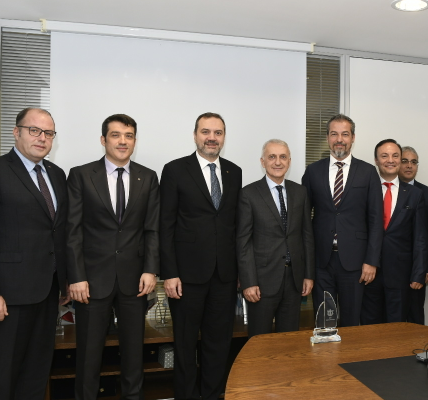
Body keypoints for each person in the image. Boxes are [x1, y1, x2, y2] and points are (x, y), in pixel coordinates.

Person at [0, 107, 70, 400]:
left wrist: (64, 281)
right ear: (16, 132)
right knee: (3, 374)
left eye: (49, 133)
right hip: (6, 297)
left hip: (47, 293)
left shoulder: (57, 175)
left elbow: (58, 232)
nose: (42, 138)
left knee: (36, 373)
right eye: (34, 130)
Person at [66, 114, 159, 400]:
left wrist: (151, 270)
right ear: (103, 140)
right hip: (92, 281)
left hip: (135, 280)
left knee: (134, 354)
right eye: (116, 135)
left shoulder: (148, 177)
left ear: (135, 141)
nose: (122, 141)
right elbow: (73, 230)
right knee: (89, 355)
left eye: (128, 136)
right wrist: (77, 277)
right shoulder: (81, 175)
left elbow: (152, 229)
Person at [159, 112, 242, 400]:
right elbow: (165, 225)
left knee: (218, 343)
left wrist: (240, 273)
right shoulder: (175, 170)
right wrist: (169, 273)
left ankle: (212, 394)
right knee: (184, 344)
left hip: (224, 276)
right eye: (206, 131)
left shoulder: (234, 171)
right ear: (195, 135)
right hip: (186, 277)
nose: (212, 138)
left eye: (218, 132)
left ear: (223, 137)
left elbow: (234, 226)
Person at [301, 114, 383, 327]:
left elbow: (376, 220)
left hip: (355, 262)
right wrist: (306, 263)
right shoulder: (313, 171)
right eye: (334, 134)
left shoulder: (368, 172)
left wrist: (371, 261)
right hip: (322, 261)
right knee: (324, 321)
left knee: (351, 322)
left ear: (353, 137)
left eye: (345, 134)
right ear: (327, 137)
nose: (339, 139)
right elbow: (303, 219)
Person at [236, 139, 315, 337]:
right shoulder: (248, 194)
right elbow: (243, 242)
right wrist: (248, 282)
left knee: (289, 340)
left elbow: (306, 236)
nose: (277, 162)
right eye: (272, 157)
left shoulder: (300, 192)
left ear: (289, 161)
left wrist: (308, 275)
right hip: (261, 282)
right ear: (262, 162)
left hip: (294, 280)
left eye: (283, 157)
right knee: (259, 340)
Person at [361, 139, 426, 324]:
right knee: (369, 327)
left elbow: (420, 237)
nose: (390, 160)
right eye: (384, 156)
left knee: (397, 327)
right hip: (367, 273)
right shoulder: (364, 190)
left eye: (395, 156)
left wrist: (418, 273)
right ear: (376, 160)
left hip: (400, 275)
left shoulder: (415, 194)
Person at [398, 145, 428, 325]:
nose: (409, 165)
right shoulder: (384, 190)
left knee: (415, 316)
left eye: (414, 162)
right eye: (405, 161)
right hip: (392, 268)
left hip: (418, 268)